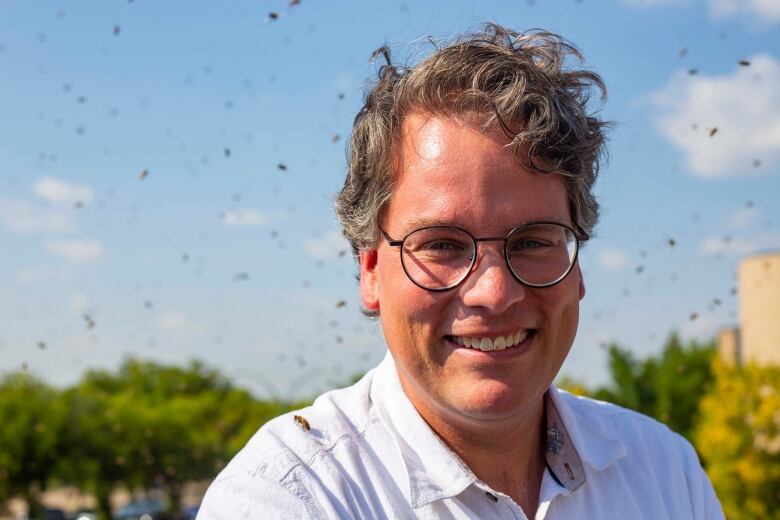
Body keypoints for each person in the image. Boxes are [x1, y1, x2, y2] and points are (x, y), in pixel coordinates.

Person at [197, 23, 724, 519]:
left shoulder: (664, 475)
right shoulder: (291, 496)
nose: (494, 292)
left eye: (533, 241)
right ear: (372, 270)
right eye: (443, 245)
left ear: (576, 269)